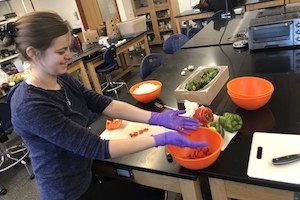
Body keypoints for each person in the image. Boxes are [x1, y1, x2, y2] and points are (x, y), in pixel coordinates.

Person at [2, 12, 208, 200]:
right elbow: (96, 147)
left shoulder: (62, 78)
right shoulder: (30, 105)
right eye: (62, 50)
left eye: (69, 48)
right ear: (33, 53)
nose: (70, 55)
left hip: (89, 172)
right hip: (68, 192)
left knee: (150, 190)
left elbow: (104, 104)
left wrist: (156, 118)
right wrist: (161, 138)